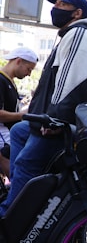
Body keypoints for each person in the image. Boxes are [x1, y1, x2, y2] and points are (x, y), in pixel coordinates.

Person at [0, 0, 87, 216]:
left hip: (58, 124)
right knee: (20, 132)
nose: (56, 7)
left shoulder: (78, 34)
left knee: (28, 165)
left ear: (77, 13)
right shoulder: (71, 34)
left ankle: (12, 218)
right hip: (53, 121)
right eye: (56, 2)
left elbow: (71, 83)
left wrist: (54, 119)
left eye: (62, 4)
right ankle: (20, 198)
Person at [0, 47, 38, 177]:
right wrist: (22, 115)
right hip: (3, 136)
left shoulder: (9, 82)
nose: (29, 74)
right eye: (29, 69)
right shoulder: (1, 80)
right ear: (18, 61)